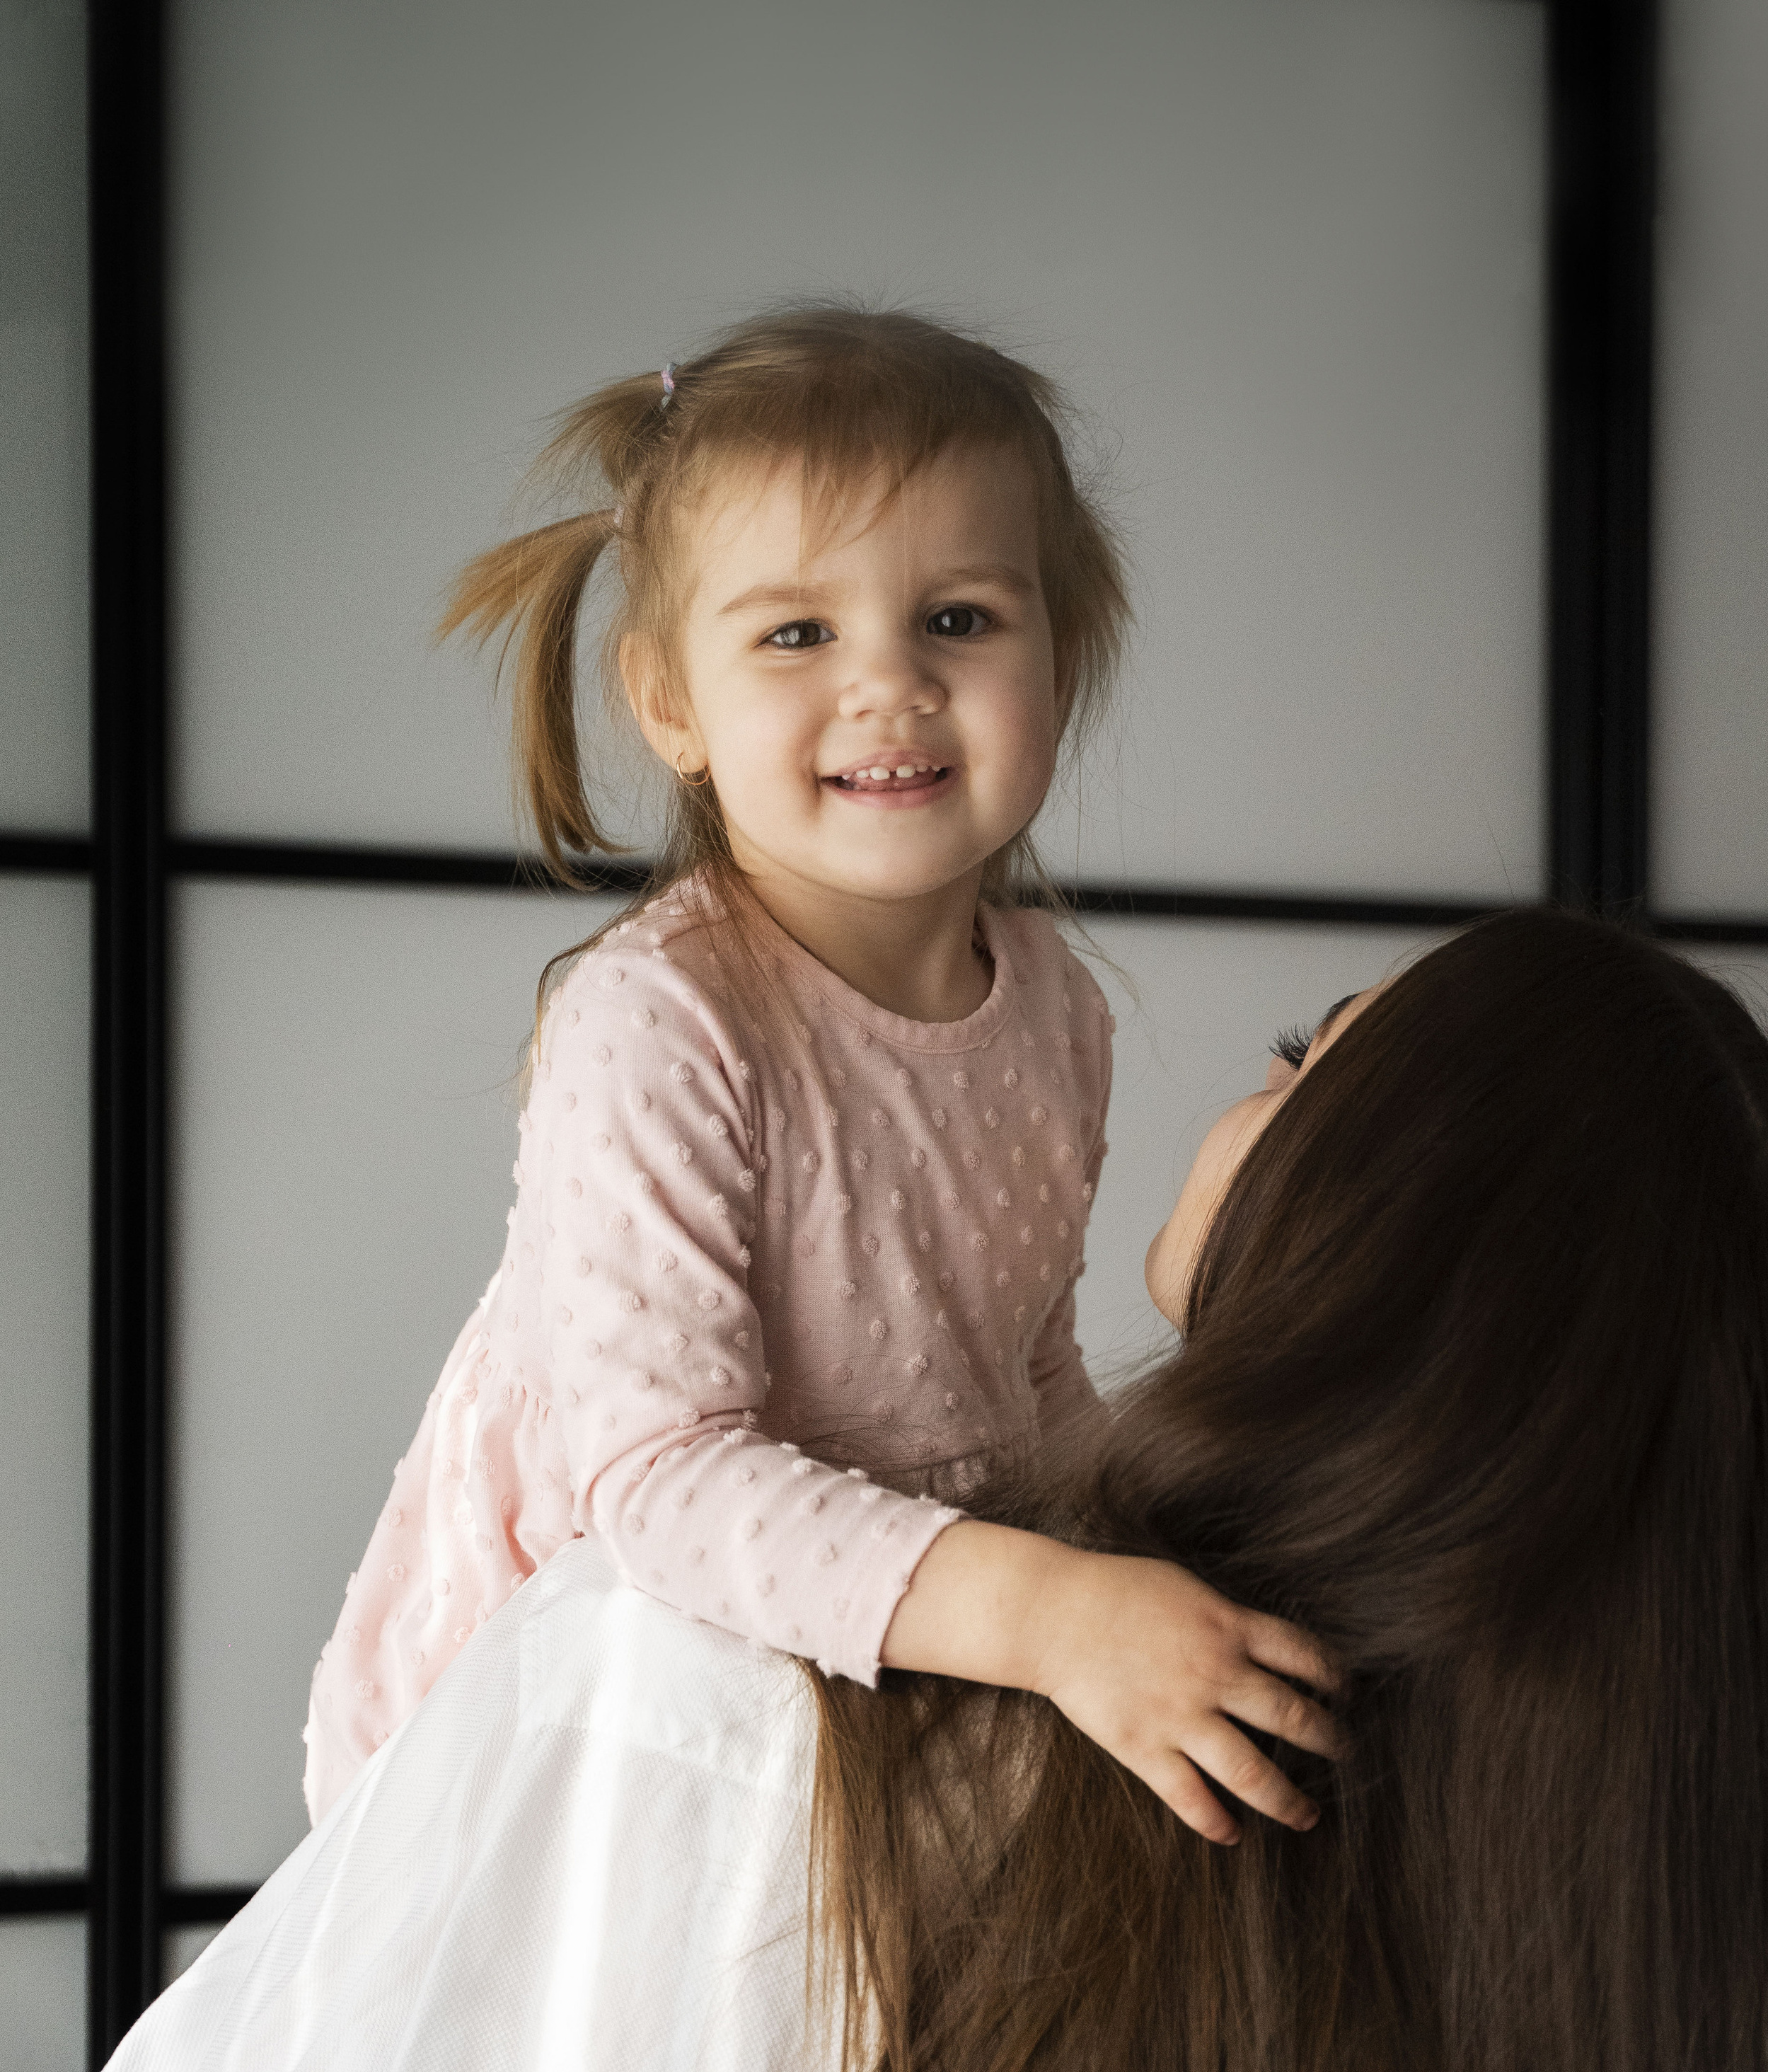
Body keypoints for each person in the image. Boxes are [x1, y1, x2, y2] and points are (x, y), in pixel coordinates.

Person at [720, 907, 1768, 2072]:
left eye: (1310, 1063)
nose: (1247, 1085)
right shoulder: (1691, 1922)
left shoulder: (777, 1734)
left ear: (1397, 1251)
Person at [302, 303, 1336, 1846]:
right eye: (798, 633)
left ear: (1064, 650)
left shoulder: (1053, 1007)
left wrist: (1139, 1555)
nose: (889, 687)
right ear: (670, 705)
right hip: (635, 1702)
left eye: (961, 620)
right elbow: (659, 1481)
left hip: (905, 1633)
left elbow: (1024, 1367)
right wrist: (1054, 1615)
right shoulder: (663, 1017)